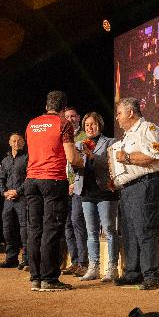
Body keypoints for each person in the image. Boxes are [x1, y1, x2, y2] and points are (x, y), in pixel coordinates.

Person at [24, 90, 83, 291]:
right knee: (51, 229)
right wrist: (83, 161)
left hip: (31, 180)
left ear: (47, 105)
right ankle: (49, 279)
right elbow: (72, 158)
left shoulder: (31, 124)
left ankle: (36, 278)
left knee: (34, 229)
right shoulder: (63, 123)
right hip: (53, 180)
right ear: (63, 108)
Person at [112, 98, 159, 289]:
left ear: (130, 113)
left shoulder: (148, 129)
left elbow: (155, 156)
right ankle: (132, 272)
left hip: (145, 185)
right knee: (129, 231)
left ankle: (151, 275)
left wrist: (127, 157)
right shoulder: (127, 135)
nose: (117, 117)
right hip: (128, 188)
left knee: (145, 229)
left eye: (119, 113)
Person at [71, 112, 119, 282]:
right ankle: (94, 267)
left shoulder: (110, 142)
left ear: (99, 124)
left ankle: (112, 268)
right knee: (91, 232)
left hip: (105, 192)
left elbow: (111, 164)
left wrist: (92, 156)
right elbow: (72, 168)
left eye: (93, 124)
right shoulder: (79, 144)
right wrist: (74, 163)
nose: (90, 127)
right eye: (87, 125)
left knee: (109, 230)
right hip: (86, 192)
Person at [61, 107, 89, 277]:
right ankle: (75, 261)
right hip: (63, 186)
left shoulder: (85, 137)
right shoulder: (62, 136)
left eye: (73, 116)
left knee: (78, 222)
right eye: (67, 117)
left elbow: (85, 161)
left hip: (79, 186)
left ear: (78, 118)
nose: (70, 119)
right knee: (67, 225)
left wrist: (74, 182)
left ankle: (83, 263)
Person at [0, 132, 28, 269]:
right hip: (8, 200)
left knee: (25, 230)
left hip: (23, 199)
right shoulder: (5, 161)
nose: (17, 143)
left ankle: (26, 259)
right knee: (8, 229)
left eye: (19, 141)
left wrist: (18, 192)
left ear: (24, 143)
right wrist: (4, 193)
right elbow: (1, 179)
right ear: (9, 143)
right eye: (14, 141)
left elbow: (30, 178)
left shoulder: (28, 158)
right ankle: (11, 258)